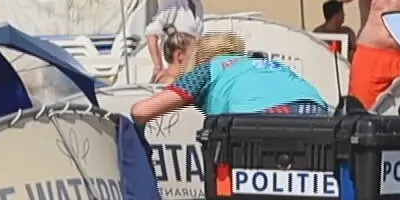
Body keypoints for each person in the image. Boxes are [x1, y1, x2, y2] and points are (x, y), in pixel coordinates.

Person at [129, 33, 327, 124]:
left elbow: (141, 111)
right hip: (316, 112)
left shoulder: (207, 70)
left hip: (258, 121)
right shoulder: (265, 63)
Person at [147, 0, 206, 76]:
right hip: (174, 70)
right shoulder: (172, 3)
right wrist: (158, 66)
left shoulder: (198, 5)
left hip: (192, 69)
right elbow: (152, 34)